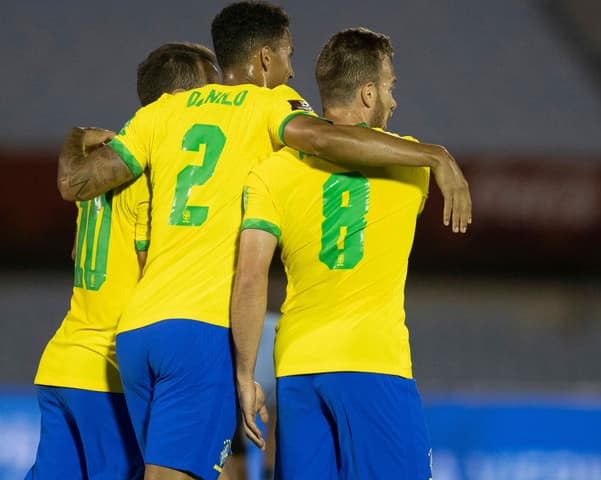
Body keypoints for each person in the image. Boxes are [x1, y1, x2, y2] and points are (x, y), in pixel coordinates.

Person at [56, 2, 471, 479]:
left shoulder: (175, 120)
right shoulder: (288, 116)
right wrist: (435, 155)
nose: (292, 69)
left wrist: (73, 139)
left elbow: (75, 185)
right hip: (221, 332)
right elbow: (331, 139)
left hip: (145, 334)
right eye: (288, 55)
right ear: (266, 59)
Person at [231, 27, 449, 479]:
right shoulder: (413, 165)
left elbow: (250, 277)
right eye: (389, 87)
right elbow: (363, 152)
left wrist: (246, 374)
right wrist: (437, 156)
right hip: (374, 365)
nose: (393, 100)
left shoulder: (272, 173)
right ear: (368, 92)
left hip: (298, 372)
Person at [25, 42, 219, 480]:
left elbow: (82, 251)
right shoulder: (150, 173)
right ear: (182, 99)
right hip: (106, 372)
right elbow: (154, 266)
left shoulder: (102, 165)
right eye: (212, 90)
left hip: (62, 361)